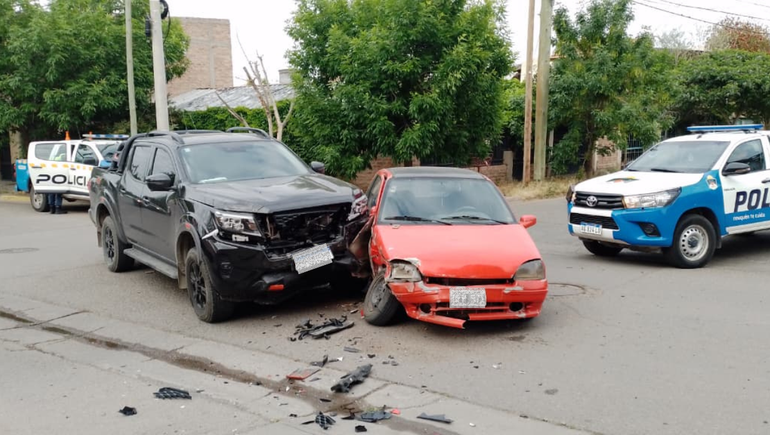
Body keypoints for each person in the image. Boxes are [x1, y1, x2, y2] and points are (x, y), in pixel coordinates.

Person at [48, 147, 67, 215]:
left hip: (51, 175)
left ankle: (51, 208)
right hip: (59, 175)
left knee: (51, 192)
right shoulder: (63, 155)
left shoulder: (52, 157)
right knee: (58, 192)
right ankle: (58, 208)